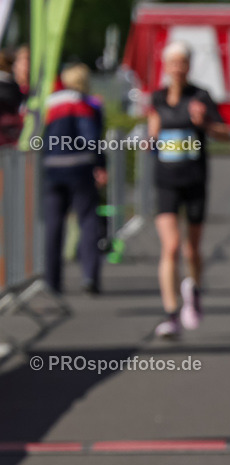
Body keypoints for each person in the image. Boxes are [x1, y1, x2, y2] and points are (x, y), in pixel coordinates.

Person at [148, 41, 230, 338]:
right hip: (166, 181)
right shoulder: (156, 98)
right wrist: (149, 140)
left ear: (188, 66)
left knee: (191, 249)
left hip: (194, 180)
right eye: (173, 63)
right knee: (170, 247)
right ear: (166, 67)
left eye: (182, 63)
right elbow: (152, 135)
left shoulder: (200, 96)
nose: (178, 68)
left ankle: (193, 289)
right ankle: (171, 314)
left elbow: (226, 133)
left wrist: (205, 122)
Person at [41, 63, 106, 294]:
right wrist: (100, 165)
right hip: (81, 167)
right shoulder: (89, 103)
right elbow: (94, 138)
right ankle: (90, 275)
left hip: (52, 167)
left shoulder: (49, 102)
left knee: (53, 224)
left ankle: (52, 280)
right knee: (88, 220)